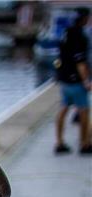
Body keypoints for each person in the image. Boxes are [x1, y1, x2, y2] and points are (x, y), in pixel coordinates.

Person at [55, 7, 91, 154]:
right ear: (84, 19)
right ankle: (84, 144)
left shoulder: (66, 32)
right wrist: (86, 81)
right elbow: (80, 62)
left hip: (64, 78)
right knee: (84, 111)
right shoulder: (80, 36)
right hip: (76, 81)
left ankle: (59, 142)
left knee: (64, 108)